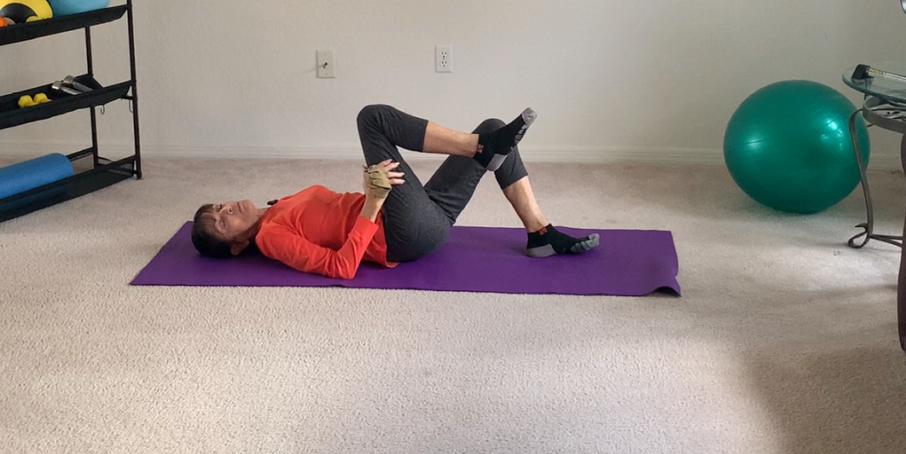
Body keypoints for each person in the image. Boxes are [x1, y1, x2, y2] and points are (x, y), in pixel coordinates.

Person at [190, 104, 599, 279]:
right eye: (223, 221)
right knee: (372, 119)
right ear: (238, 246)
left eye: (220, 205)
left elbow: (336, 214)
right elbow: (340, 267)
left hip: (417, 215)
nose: (227, 209)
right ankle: (478, 149)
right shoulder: (271, 236)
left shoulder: (276, 207)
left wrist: (368, 189)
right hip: (402, 234)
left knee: (494, 128)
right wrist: (372, 201)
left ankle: (540, 233)